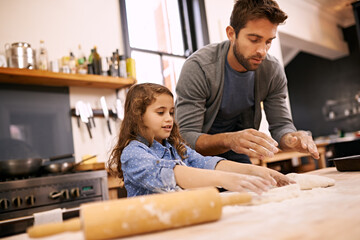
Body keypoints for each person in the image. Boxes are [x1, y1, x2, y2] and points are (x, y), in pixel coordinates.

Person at [175, 0, 319, 164]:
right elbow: (185, 137)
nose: (262, 51)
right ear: (231, 34)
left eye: (268, 41)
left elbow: (281, 126)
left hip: (235, 151)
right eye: (254, 39)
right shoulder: (199, 67)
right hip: (193, 158)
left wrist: (292, 138)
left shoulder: (271, 71)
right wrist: (230, 139)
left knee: (261, 187)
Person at [108, 83, 294, 197]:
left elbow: (206, 163)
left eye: (171, 113)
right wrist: (227, 180)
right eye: (160, 112)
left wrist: (257, 171)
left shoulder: (174, 147)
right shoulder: (133, 153)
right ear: (138, 115)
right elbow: (173, 175)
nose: (169, 119)